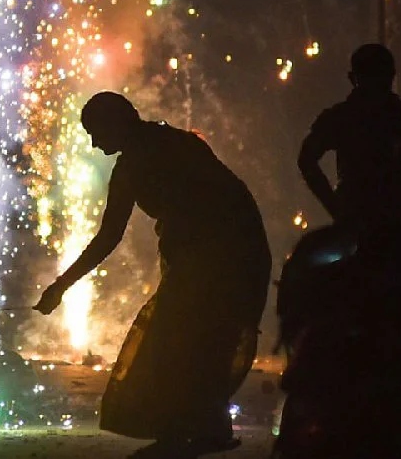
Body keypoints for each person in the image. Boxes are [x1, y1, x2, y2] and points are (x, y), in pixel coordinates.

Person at [34, 92, 271, 459]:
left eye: (96, 133)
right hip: (227, 252)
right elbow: (112, 234)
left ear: (117, 123)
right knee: (198, 342)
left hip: (218, 256)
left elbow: (109, 237)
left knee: (177, 342)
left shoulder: (146, 159)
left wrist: (61, 286)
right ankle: (202, 429)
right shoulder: (165, 147)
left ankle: (185, 433)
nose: (95, 145)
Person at [297, 43, 401, 257]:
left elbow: (306, 159)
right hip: (396, 230)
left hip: (359, 230)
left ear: (352, 77)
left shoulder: (341, 118)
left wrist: (337, 210)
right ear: (392, 76)